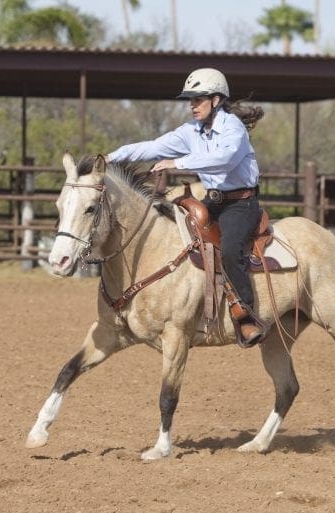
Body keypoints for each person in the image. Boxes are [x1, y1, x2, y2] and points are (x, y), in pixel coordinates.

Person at [106, 67, 267, 347]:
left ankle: (246, 317)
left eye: (198, 99)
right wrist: (111, 156)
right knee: (177, 238)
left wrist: (178, 163)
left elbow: (224, 159)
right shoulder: (191, 131)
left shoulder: (233, 128)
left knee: (230, 250)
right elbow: (154, 147)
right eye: (190, 100)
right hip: (214, 201)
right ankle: (188, 308)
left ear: (216, 100)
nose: (192, 105)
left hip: (241, 204)